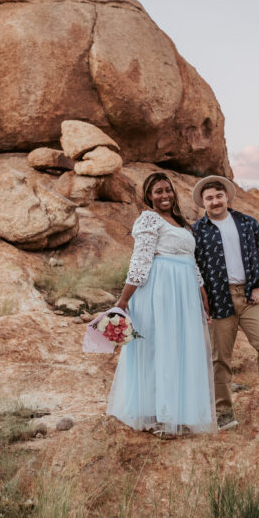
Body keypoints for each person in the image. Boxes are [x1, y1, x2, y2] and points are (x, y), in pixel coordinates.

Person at [106, 172, 217, 436]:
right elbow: (140, 260)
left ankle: (180, 412)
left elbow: (191, 260)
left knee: (181, 347)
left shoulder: (180, 223)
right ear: (149, 196)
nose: (165, 195)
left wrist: (201, 291)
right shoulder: (148, 219)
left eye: (168, 190)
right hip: (159, 291)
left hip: (185, 292)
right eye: (158, 191)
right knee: (160, 346)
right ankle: (159, 415)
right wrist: (123, 300)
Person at [191, 175, 259, 430]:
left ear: (226, 196)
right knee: (220, 358)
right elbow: (190, 268)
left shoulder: (247, 223)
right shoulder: (196, 231)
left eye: (218, 196)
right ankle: (223, 410)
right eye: (209, 198)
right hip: (217, 299)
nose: (215, 201)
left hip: (249, 296)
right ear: (203, 203)